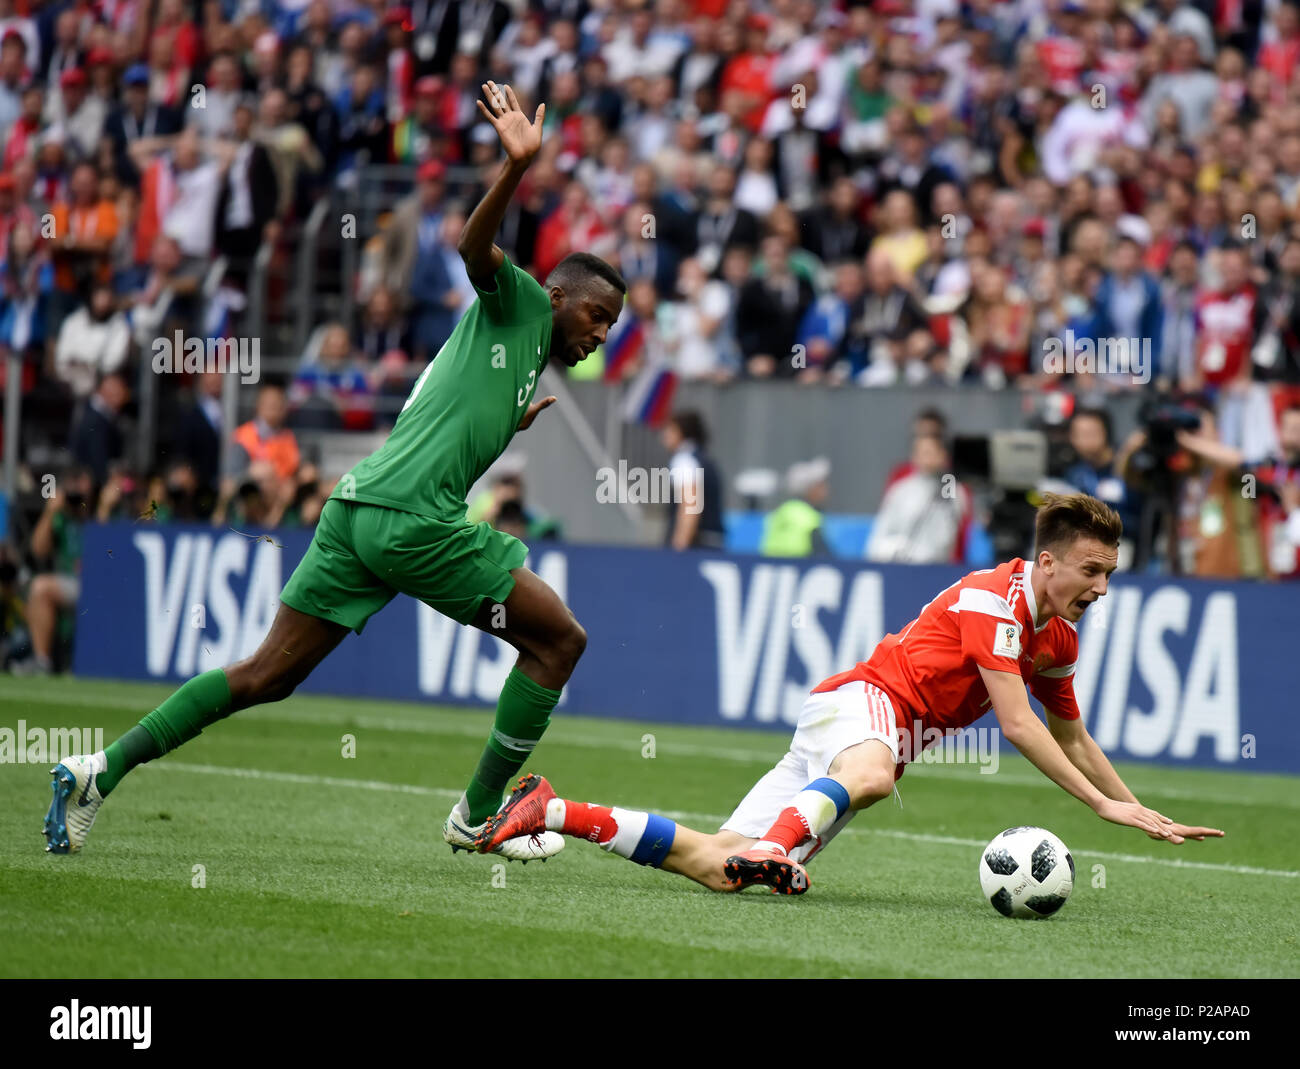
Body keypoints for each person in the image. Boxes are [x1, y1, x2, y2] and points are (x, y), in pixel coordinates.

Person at [44, 83, 625, 868]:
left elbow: (440, 399)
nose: (601, 334)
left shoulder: (516, 354)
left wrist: (505, 416)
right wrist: (516, 169)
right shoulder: (519, 300)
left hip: (355, 510)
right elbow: (472, 248)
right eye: (597, 316)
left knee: (264, 673)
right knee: (559, 640)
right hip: (412, 519)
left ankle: (99, 769)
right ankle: (479, 813)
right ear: (559, 297)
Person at [479, 494, 1224, 893]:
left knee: (719, 866)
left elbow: (1071, 735)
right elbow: (1019, 725)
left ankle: (550, 808)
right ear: (1049, 561)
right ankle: (776, 847)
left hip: (861, 736)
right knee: (871, 777)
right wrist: (1097, 806)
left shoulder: (1057, 638)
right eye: (1092, 571)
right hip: (865, 704)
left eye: (1110, 574)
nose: (1101, 588)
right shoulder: (994, 601)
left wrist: (1134, 806)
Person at [661, 409, 726, 551]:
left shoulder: (684, 460)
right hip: (713, 544)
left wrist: (680, 545)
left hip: (695, 547)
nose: (664, 435)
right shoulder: (705, 459)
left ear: (681, 433)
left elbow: (690, 507)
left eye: (670, 430)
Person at [761, 457, 832, 557]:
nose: (825, 489)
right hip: (800, 564)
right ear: (809, 488)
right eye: (819, 485)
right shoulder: (807, 517)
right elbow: (824, 556)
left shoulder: (782, 510)